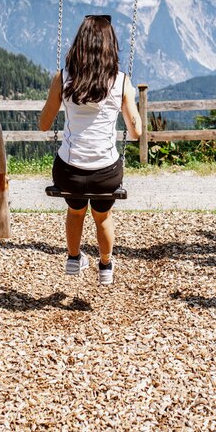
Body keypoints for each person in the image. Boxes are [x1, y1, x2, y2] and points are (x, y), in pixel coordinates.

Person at [39, 15, 142, 284]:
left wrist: (60, 96)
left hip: (69, 172)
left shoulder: (63, 78)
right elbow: (136, 132)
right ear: (110, 46)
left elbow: (43, 124)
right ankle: (105, 265)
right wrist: (129, 99)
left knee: (75, 211)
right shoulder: (121, 81)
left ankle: (74, 258)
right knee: (102, 216)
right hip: (105, 173)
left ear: (80, 44)